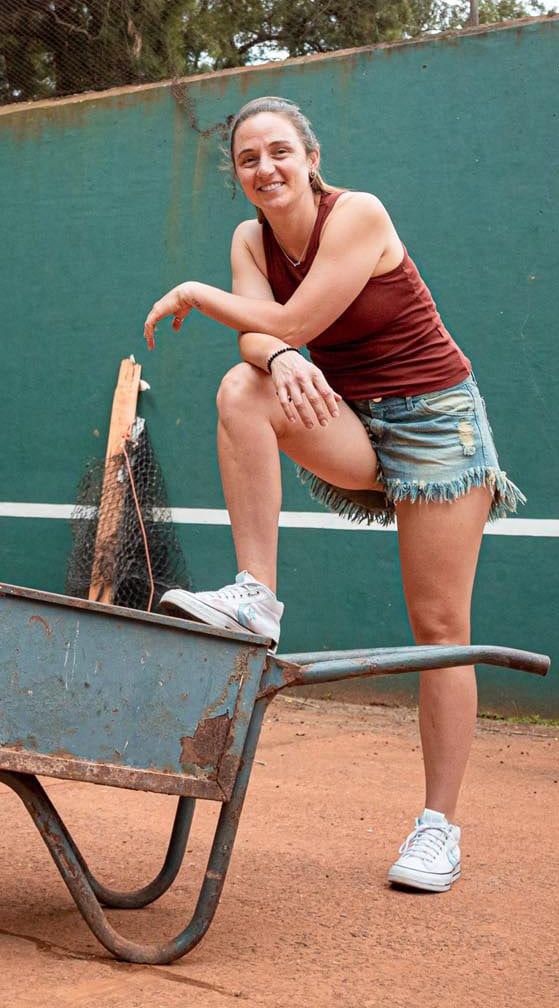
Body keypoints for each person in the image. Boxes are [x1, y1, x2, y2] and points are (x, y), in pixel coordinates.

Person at [140, 95, 525, 893]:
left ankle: (437, 828)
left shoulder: (359, 216)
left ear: (311, 158)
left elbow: (290, 315)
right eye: (248, 159)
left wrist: (197, 294)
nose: (266, 168)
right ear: (239, 177)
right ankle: (257, 599)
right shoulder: (252, 236)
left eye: (280, 152)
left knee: (440, 626)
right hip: (347, 415)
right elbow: (266, 335)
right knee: (241, 388)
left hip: (436, 428)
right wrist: (279, 358)